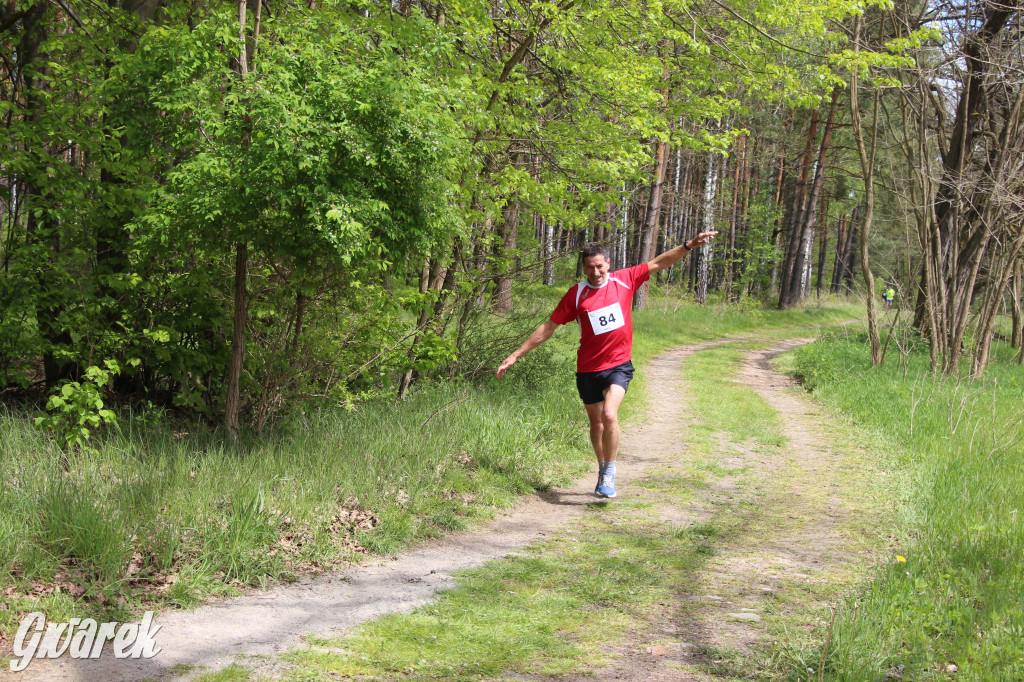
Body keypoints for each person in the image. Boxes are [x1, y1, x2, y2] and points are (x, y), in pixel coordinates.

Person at [496, 232, 718, 498]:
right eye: (590, 266)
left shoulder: (624, 280)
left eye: (600, 265)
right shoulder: (577, 294)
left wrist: (688, 246)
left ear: (608, 264)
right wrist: (516, 354)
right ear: (584, 267)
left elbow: (660, 262)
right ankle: (602, 469)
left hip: (618, 365)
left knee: (609, 415)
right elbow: (549, 326)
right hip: (588, 368)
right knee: (596, 424)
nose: (595, 271)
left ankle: (610, 473)